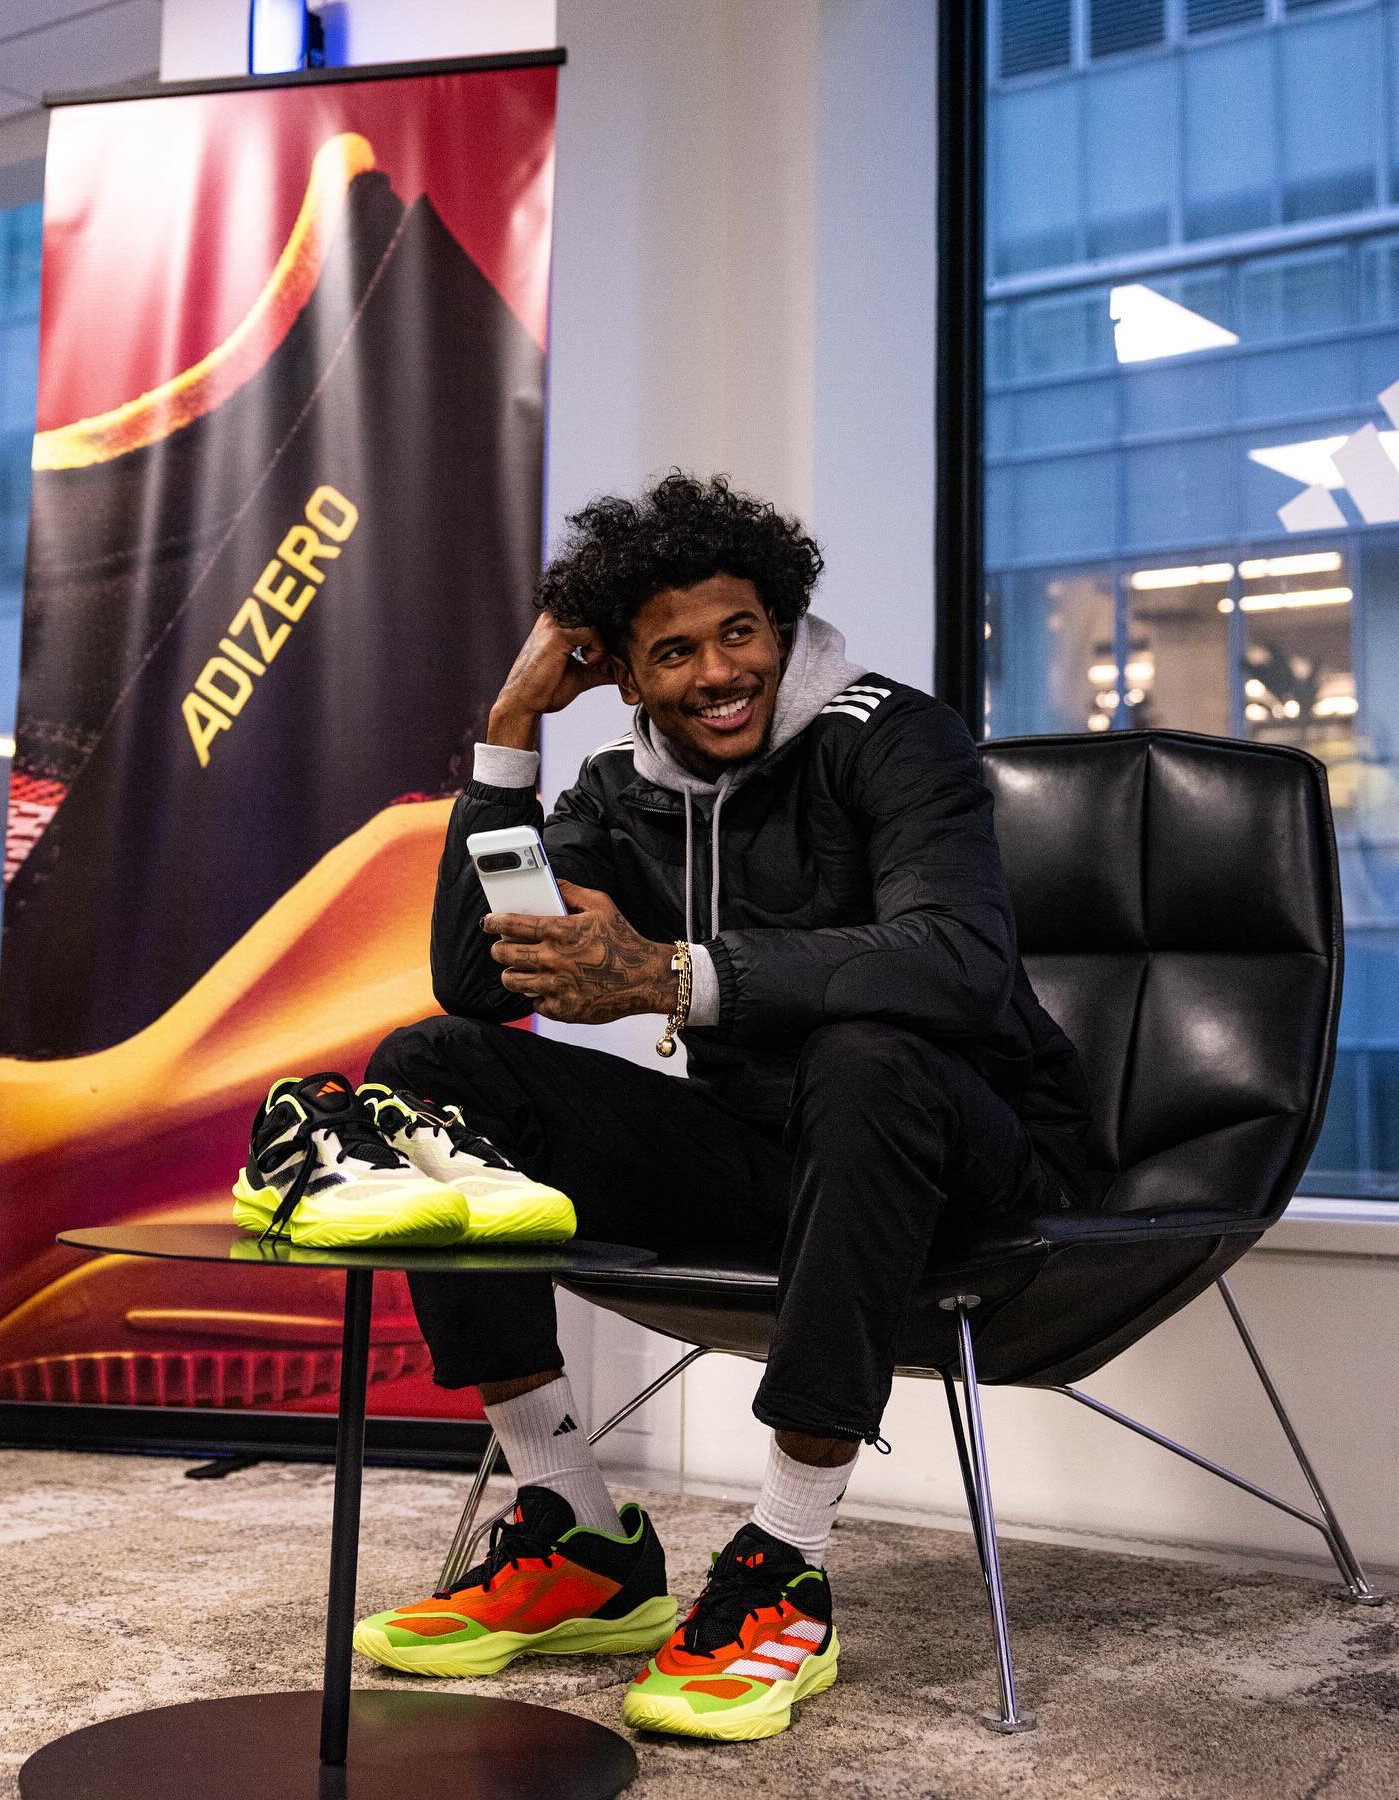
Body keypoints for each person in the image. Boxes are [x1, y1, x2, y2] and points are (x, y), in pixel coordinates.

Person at [352, 471, 1091, 1741]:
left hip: (981, 1159)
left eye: (739, 633)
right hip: (777, 1162)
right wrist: (512, 727)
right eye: (673, 653)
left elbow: (957, 962)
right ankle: (575, 1530)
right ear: (627, 679)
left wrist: (672, 976)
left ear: (783, 624)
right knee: (432, 1064)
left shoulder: (894, 736)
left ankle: (783, 1565)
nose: (717, 674)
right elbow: (479, 979)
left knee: (866, 1056)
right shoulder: (620, 790)